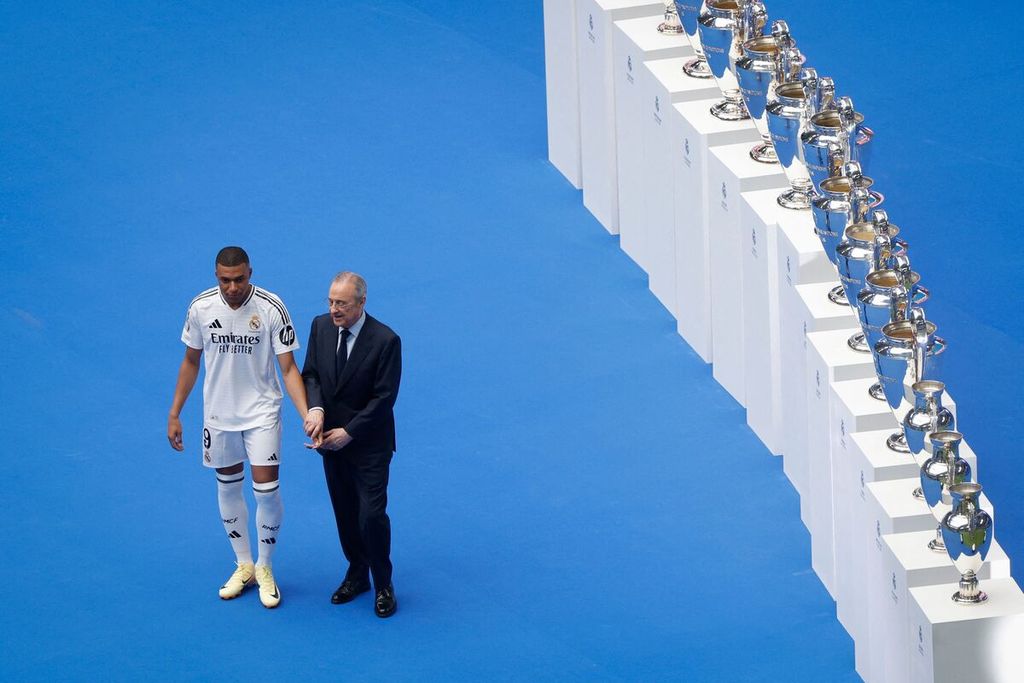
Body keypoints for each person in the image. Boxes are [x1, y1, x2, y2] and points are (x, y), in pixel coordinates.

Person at [167, 246, 311, 609]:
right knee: (228, 487)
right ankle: (243, 564)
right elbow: (190, 361)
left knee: (265, 491)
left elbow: (289, 368)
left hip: (262, 412)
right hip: (218, 416)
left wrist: (308, 413)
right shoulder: (200, 307)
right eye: (225, 280)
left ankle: (265, 567)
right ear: (216, 276)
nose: (232, 287)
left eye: (239, 279)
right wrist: (175, 412)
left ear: (251, 273)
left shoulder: (270, 307)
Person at [301, 271, 402, 618]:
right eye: (330, 301)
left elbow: (384, 398)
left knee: (371, 516)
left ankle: (383, 582)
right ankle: (357, 572)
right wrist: (316, 410)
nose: (333, 309)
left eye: (341, 303)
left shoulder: (386, 340)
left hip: (369, 445)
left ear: (361, 303)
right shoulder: (319, 327)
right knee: (344, 513)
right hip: (330, 444)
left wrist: (350, 432)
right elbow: (311, 373)